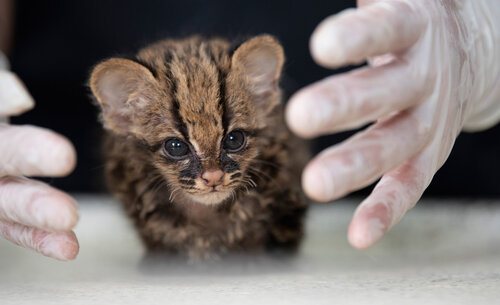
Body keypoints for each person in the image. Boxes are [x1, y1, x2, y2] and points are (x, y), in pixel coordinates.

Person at [1, 0, 499, 261]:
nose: (213, 174)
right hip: (80, 218)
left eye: (233, 142)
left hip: (454, 217)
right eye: (177, 148)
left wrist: (480, 24)